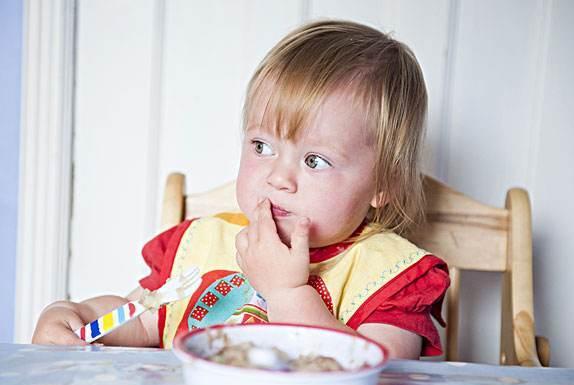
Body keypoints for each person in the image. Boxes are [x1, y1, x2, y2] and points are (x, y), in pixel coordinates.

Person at [33, 19, 449, 359]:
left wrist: (287, 292)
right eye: (262, 146)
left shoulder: (391, 277)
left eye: (314, 160)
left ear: (383, 185)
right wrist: (76, 316)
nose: (278, 178)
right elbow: (142, 319)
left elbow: (380, 375)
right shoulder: (200, 244)